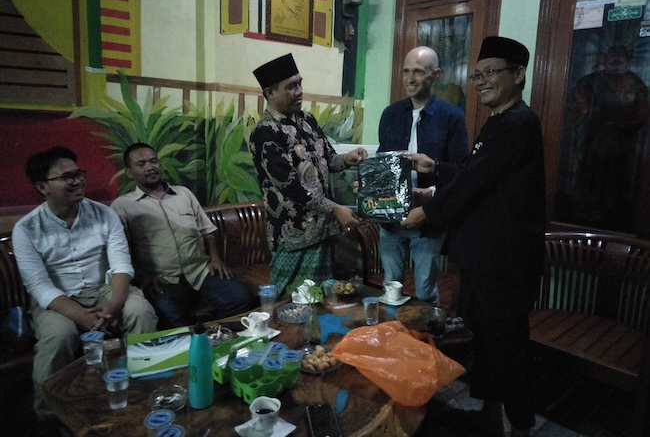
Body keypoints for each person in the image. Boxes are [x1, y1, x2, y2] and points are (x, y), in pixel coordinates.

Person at [402, 37, 545, 437]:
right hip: (484, 258)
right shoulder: (499, 121)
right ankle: (489, 415)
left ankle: (520, 427)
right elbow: (474, 170)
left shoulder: (518, 123)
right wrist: (436, 169)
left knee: (507, 347)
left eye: (491, 72)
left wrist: (427, 210)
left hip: (505, 263)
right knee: (484, 342)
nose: (481, 81)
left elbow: (475, 180)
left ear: (518, 74)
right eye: (476, 75)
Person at [12, 146, 158, 418]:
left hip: (103, 289)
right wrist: (82, 316)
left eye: (79, 174)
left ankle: (144, 383)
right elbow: (39, 285)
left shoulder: (104, 214)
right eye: (67, 177)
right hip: (58, 299)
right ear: (42, 187)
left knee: (140, 310)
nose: (78, 181)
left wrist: (114, 304)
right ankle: (48, 413)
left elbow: (121, 265)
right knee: (59, 335)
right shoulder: (26, 229)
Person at [250, 53, 367, 295]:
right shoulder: (265, 133)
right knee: (290, 301)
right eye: (291, 87)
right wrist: (336, 209)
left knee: (321, 299)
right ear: (270, 93)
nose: (299, 92)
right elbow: (291, 187)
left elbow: (329, 159)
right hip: (293, 237)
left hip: (322, 231)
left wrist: (348, 159)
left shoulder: (307, 120)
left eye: (299, 84)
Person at [111, 143, 254, 329]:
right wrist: (143, 276)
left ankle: (224, 340)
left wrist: (216, 258)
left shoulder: (183, 193)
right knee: (168, 312)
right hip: (164, 279)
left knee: (239, 296)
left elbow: (208, 231)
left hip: (201, 270)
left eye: (154, 161)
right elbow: (122, 252)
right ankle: (189, 346)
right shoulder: (123, 206)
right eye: (142, 164)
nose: (150, 167)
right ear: (130, 172)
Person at [377, 46, 469, 306]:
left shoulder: (452, 117)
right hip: (391, 216)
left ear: (435, 75)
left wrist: (435, 170)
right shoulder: (391, 114)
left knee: (425, 291)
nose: (410, 78)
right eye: (406, 71)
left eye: (418, 72)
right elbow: (384, 163)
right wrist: (369, 184)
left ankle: (426, 330)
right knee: (390, 288)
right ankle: (391, 331)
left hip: (429, 218)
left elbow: (462, 170)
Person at [563, 44, 649, 230]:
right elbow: (576, 107)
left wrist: (623, 122)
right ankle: (586, 209)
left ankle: (611, 213)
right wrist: (588, 112)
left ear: (627, 62)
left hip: (622, 142)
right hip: (593, 140)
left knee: (614, 178)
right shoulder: (590, 82)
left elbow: (642, 113)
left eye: (620, 62)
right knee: (590, 175)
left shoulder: (636, 85)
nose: (615, 66)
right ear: (605, 61)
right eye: (612, 61)